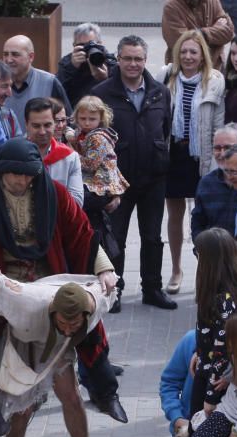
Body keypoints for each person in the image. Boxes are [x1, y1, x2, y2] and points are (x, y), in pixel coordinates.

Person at [0, 138, 126, 437]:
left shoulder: (54, 192)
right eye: (15, 175)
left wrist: (104, 269)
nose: (21, 181)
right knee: (23, 397)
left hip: (49, 302)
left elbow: (82, 234)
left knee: (70, 392)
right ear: (1, 171)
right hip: (10, 304)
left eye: (27, 175)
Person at [92, 35, 175, 311]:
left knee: (152, 236)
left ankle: (152, 288)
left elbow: (165, 130)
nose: (133, 64)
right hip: (117, 181)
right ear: (118, 58)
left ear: (145, 60)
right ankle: (113, 291)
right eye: (127, 58)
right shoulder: (102, 94)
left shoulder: (159, 92)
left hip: (153, 178)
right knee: (116, 237)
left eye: (138, 59)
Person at [163, 30, 225, 294]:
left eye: (193, 52)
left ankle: (205, 274)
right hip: (173, 155)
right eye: (184, 51)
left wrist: (217, 159)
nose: (188, 56)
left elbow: (218, 122)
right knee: (175, 213)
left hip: (202, 156)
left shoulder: (215, 81)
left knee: (204, 216)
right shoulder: (166, 77)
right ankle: (176, 269)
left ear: (202, 55)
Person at [189, 228, 237, 416]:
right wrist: (198, 353)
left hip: (215, 385)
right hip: (205, 372)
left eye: (198, 254)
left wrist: (210, 398)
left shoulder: (223, 301)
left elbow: (222, 353)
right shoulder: (216, 293)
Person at [72, 94, 128, 264]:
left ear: (101, 118)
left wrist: (71, 154)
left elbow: (90, 164)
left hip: (100, 182)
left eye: (92, 119)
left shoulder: (98, 137)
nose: (87, 122)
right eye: (83, 118)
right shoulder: (83, 134)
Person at [2, 34, 71, 134]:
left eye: (15, 54)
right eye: (5, 54)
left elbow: (68, 120)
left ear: (31, 57)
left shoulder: (49, 82)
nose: (8, 59)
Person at [23, 97, 83, 207]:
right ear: (26, 124)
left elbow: (77, 202)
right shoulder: (14, 154)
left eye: (47, 125)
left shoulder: (70, 158)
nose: (42, 131)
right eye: (36, 126)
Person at [57, 22, 117, 106]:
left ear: (100, 44)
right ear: (74, 45)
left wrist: (105, 79)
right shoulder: (67, 62)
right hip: (76, 111)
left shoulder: (109, 61)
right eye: (82, 45)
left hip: (104, 111)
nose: (87, 49)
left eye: (91, 44)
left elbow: (120, 91)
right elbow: (58, 91)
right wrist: (72, 67)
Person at [160, 0, 233, 67]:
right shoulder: (171, 6)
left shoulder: (213, 2)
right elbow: (179, 41)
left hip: (214, 67)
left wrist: (198, 34)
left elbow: (228, 32)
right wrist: (209, 32)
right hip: (184, 70)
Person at [0, 59, 22, 140]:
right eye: (4, 86)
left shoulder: (9, 116)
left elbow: (17, 145)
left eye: (10, 86)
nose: (9, 94)